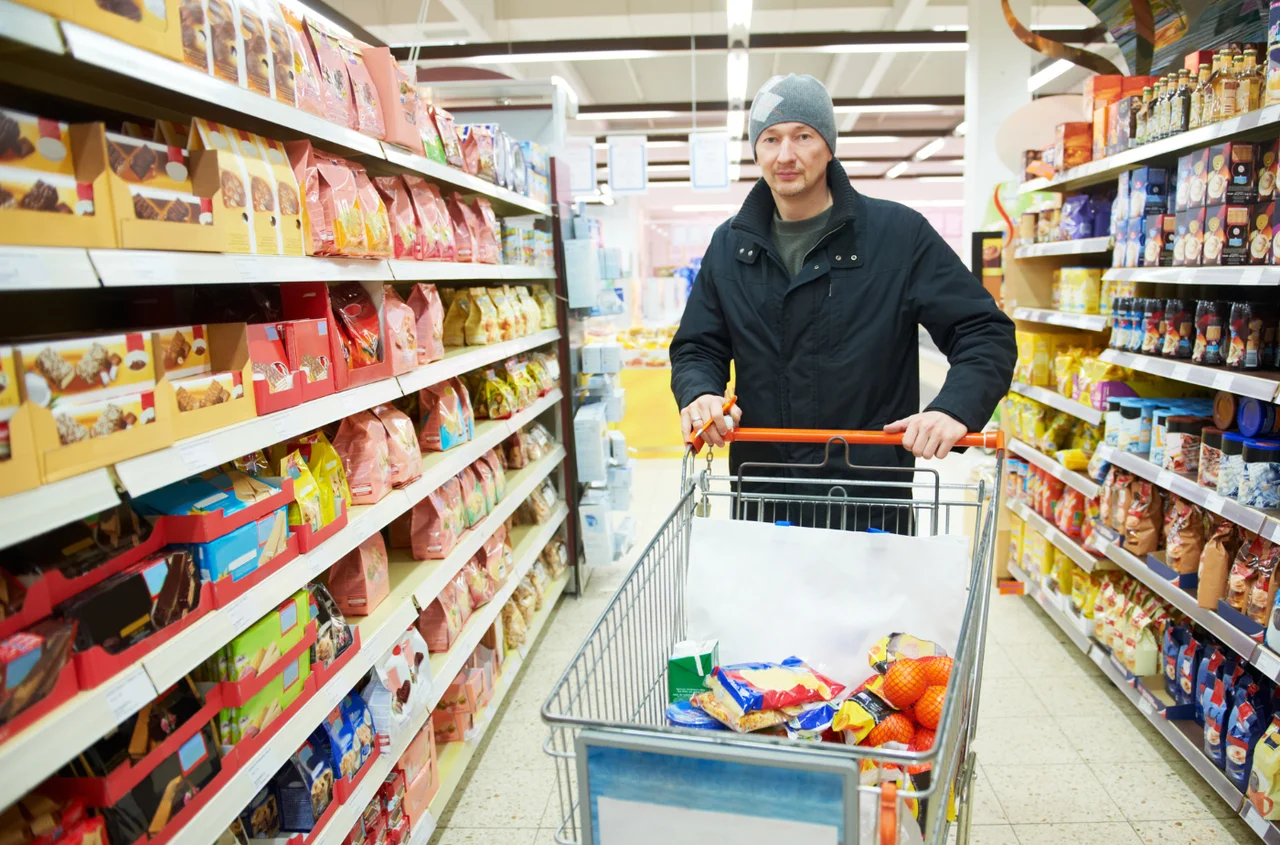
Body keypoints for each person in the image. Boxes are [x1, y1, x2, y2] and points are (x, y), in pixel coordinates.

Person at [669, 73, 1016, 531]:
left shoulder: (898, 236)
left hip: (872, 504)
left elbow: (983, 331)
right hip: (764, 500)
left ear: (829, 145)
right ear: (756, 151)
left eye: (803, 136)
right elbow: (698, 347)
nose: (785, 154)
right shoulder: (730, 246)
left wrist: (954, 408)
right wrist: (700, 393)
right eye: (770, 138)